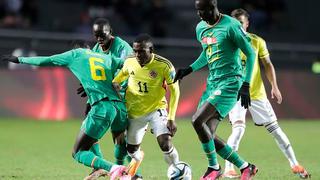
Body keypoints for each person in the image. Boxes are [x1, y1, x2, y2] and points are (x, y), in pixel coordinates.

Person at [0, 47, 131, 180]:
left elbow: (46, 60)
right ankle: (130, 171)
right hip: (120, 107)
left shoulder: (75, 55)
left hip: (103, 107)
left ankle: (115, 169)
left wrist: (19, 59)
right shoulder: (105, 57)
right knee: (118, 140)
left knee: (79, 152)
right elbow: (128, 63)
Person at [174, 0, 258, 179]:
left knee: (197, 120)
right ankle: (246, 167)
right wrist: (189, 69)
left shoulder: (231, 26)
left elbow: (250, 52)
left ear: (212, 7)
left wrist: (246, 84)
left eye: (201, 10)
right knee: (208, 133)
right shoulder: (201, 28)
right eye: (197, 11)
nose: (199, 14)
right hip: (212, 82)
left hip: (230, 82)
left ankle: (214, 167)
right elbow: (207, 52)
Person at [223, 8, 310, 179]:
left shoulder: (257, 42)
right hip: (236, 94)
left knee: (275, 130)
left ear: (247, 24)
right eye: (235, 23)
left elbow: (267, 64)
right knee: (238, 129)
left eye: (241, 22)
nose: (238, 26)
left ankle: (295, 164)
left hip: (256, 93)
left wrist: (274, 86)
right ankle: (228, 168)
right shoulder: (227, 42)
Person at [76, 18, 139, 179]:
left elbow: (131, 68)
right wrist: (89, 85)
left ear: (110, 32)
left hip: (124, 95)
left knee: (119, 138)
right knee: (89, 121)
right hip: (105, 96)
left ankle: (129, 172)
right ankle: (102, 166)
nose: (99, 39)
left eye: (102, 35)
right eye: (96, 35)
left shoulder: (122, 47)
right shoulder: (97, 48)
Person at [112, 34, 181, 176]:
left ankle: (177, 170)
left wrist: (171, 118)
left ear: (151, 49)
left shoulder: (164, 65)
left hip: (157, 108)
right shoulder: (130, 62)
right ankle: (138, 157)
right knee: (131, 150)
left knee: (165, 143)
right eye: (135, 51)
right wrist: (116, 83)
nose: (137, 54)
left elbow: (175, 91)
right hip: (134, 111)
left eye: (141, 51)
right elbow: (120, 77)